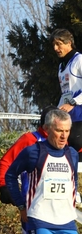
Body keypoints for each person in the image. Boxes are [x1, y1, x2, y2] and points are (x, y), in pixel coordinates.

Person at [0, 105, 67, 234]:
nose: (61, 132)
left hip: (57, 209)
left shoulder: (62, 142)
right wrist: (3, 186)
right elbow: (5, 162)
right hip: (32, 208)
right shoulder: (29, 140)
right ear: (46, 125)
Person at [49, 29, 82, 162]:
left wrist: (73, 103)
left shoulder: (79, 60)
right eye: (54, 45)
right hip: (69, 117)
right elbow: (65, 94)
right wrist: (57, 111)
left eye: (59, 44)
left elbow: (71, 99)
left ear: (69, 43)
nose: (56, 48)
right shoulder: (61, 66)